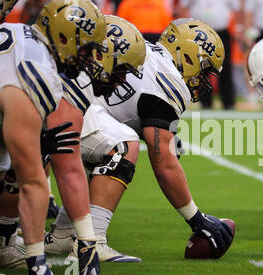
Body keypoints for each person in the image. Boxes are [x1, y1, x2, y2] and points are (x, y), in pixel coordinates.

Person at [49, 18, 234, 262]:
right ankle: (93, 242)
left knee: (102, 148)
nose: (203, 81)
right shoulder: (169, 81)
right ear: (188, 58)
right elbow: (164, 165)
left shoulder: (153, 56)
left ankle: (63, 234)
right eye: (204, 70)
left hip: (62, 100)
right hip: (69, 106)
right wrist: (196, 218)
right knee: (122, 145)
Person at [0, 0, 108, 275]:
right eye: (85, 49)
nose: (89, 59)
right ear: (62, 38)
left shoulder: (17, 31)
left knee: (6, 163)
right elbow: (33, 184)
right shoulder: (38, 72)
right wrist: (38, 263)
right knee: (24, 170)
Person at [44, 15, 147, 263]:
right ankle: (91, 240)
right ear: (100, 55)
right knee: (119, 144)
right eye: (121, 70)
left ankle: (58, 235)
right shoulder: (75, 81)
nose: (122, 80)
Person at [178, 0, 239, 110]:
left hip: (221, 32)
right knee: (200, 67)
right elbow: (183, 7)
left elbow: (237, 8)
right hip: (199, 33)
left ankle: (228, 102)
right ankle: (205, 102)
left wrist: (239, 28)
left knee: (224, 68)